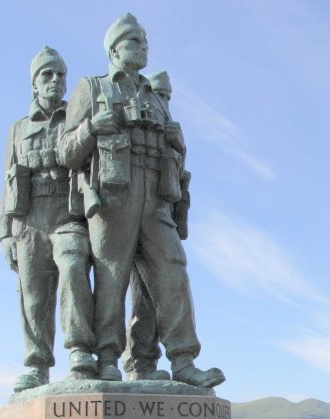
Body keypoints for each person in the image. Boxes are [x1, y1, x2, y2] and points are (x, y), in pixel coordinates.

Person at [58, 13, 223, 387]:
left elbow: (174, 155)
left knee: (173, 269)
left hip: (156, 197)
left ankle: (183, 360)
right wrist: (89, 128)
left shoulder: (153, 95)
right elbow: (66, 151)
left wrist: (178, 144)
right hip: (114, 195)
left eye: (146, 41)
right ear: (114, 50)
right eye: (135, 41)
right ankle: (106, 358)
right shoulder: (92, 88)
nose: (144, 46)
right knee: (111, 276)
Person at [0, 46, 96, 392]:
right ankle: (37, 364)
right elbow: (6, 181)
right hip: (28, 219)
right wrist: (5, 235)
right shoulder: (18, 128)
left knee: (73, 266)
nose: (55, 81)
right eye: (47, 75)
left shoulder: (76, 116)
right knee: (34, 295)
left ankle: (80, 352)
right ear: (34, 85)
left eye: (60, 75)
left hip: (67, 213)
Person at [122, 71, 191, 381]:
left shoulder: (172, 136)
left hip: (160, 216)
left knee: (152, 295)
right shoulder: (137, 123)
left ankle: (148, 362)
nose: (163, 101)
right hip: (125, 210)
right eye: (159, 94)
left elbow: (181, 184)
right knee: (135, 294)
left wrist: (180, 148)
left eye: (167, 96)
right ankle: (137, 362)